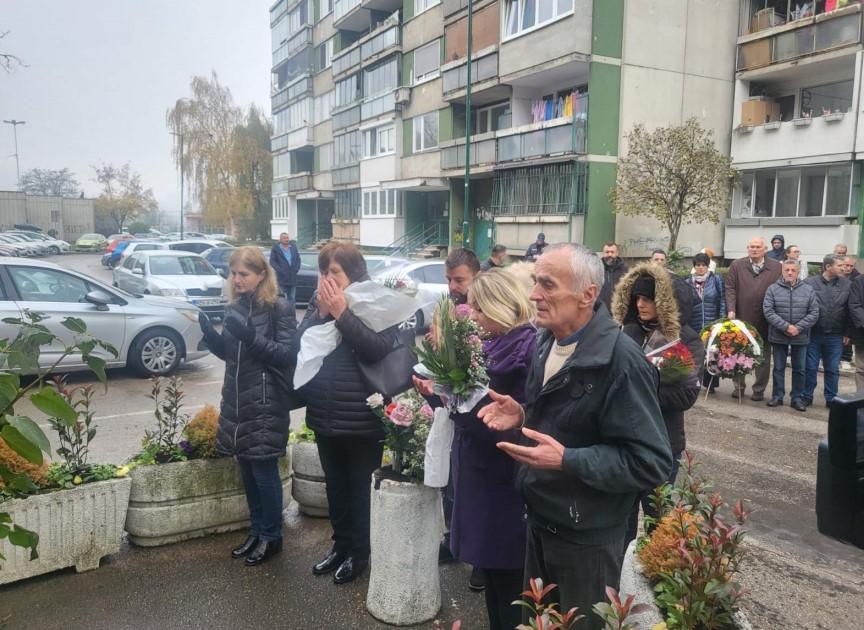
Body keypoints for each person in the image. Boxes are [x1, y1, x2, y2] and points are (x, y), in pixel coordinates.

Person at [477, 244, 672, 629]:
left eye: (547, 285)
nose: (534, 295)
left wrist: (569, 460)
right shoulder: (546, 342)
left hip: (588, 541)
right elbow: (566, 423)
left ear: (588, 294)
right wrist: (523, 415)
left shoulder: (622, 362)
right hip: (540, 522)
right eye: (535, 283)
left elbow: (652, 462)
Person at [414, 269, 536, 630]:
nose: (474, 319)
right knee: (494, 582)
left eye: (479, 311)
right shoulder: (493, 345)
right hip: (482, 476)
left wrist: (453, 400)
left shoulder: (524, 350)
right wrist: (439, 390)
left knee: (510, 585)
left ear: (501, 307)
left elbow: (506, 427)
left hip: (503, 484)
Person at [296, 242, 400, 585]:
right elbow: (300, 345)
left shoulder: (376, 301)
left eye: (335, 272)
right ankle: (339, 546)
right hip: (324, 414)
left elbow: (376, 349)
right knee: (336, 490)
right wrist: (321, 314)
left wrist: (342, 314)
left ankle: (359, 553)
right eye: (324, 272)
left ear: (353, 273)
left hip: (361, 418)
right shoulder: (319, 305)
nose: (327, 279)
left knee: (359, 491)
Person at [198, 246, 297, 566]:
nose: (237, 280)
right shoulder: (236, 307)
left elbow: (285, 356)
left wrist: (251, 336)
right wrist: (214, 340)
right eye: (234, 274)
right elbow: (233, 357)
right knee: (247, 470)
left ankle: (272, 536)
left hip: (266, 402)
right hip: (238, 400)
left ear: (262, 275)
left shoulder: (278, 309)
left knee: (264, 470)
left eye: (244, 274)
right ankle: (257, 530)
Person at [612, 264, 703, 548]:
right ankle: (616, 582)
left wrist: (639, 392)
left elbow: (686, 396)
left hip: (663, 442)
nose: (640, 304)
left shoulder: (684, 339)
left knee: (656, 519)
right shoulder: (626, 332)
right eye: (637, 298)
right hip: (624, 441)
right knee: (621, 519)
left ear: (666, 302)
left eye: (648, 299)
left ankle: (649, 580)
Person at [725, 237, 782, 401]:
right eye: (751, 247)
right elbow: (730, 288)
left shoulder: (776, 267)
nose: (754, 249)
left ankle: (759, 390)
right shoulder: (737, 265)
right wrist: (731, 309)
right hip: (742, 318)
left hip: (765, 320)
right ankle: (738, 387)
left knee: (763, 358)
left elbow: (780, 290)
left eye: (758, 247)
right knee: (739, 354)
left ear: (765, 249)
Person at [762, 259, 820, 411]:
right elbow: (768, 311)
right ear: (782, 271)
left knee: (799, 369)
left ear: (798, 272)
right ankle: (777, 396)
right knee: (779, 368)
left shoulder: (808, 290)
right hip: (779, 334)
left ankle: (797, 398)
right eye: (787, 270)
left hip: (800, 336)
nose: (789, 272)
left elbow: (814, 312)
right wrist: (786, 326)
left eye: (793, 270)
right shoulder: (773, 289)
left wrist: (798, 328)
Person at [803, 255, 850, 407]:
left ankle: (831, 399)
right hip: (813, 333)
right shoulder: (809, 283)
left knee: (832, 369)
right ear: (828, 267)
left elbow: (850, 310)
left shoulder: (847, 284)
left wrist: (848, 332)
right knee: (810, 367)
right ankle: (806, 396)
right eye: (840, 265)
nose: (844, 268)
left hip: (836, 335)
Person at [686, 252, 726, 393]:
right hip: (694, 323)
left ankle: (711, 384)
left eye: (703, 265)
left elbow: (722, 300)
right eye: (698, 265)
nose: (701, 268)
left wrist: (721, 319)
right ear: (694, 267)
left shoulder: (716, 280)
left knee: (712, 353)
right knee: (696, 353)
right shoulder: (688, 282)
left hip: (712, 322)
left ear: (708, 267)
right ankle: (694, 380)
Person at [269, 232, 301, 302]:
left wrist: (296, 269)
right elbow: (272, 262)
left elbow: (298, 259)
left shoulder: (293, 247)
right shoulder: (276, 249)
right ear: (280, 239)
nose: (286, 239)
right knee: (280, 299)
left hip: (292, 278)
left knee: (292, 299)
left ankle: (291, 312)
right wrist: (280, 270)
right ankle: (282, 313)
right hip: (281, 279)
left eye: (287, 238)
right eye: (284, 238)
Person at [598, 241, 629, 309]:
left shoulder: (625, 270)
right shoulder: (597, 269)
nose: (610, 254)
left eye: (612, 252)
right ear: (603, 253)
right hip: (600, 311)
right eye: (607, 252)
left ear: (617, 253)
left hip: (619, 311)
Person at [847, 273, 864, 390]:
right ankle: (861, 400)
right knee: (862, 369)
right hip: (862, 332)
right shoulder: (859, 281)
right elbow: (854, 304)